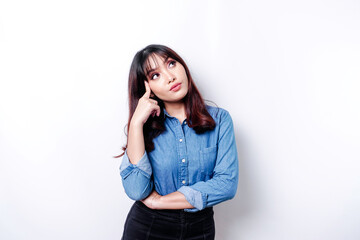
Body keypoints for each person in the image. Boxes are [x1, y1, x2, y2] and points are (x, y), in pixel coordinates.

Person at [118, 44, 239, 239]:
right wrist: (135, 124)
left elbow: (226, 184)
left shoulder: (220, 120)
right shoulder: (144, 128)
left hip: (200, 229)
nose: (170, 77)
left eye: (171, 64)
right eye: (155, 75)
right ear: (147, 88)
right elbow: (136, 190)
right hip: (148, 227)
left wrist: (159, 201)